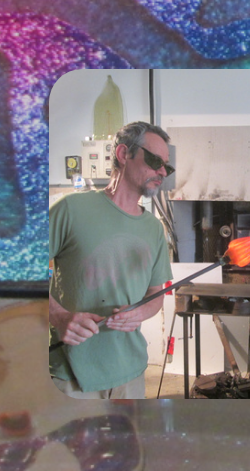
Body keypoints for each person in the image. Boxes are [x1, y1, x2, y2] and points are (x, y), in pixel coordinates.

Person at [47, 121, 174, 398]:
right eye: (155, 161)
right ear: (123, 154)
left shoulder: (154, 229)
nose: (163, 172)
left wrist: (139, 313)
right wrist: (58, 316)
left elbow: (156, 295)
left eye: (167, 166)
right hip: (71, 377)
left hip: (131, 374)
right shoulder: (71, 210)